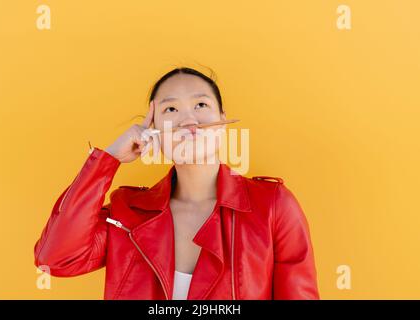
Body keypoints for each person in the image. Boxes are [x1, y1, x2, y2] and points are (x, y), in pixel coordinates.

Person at [33, 67, 320, 300]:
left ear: (221, 120)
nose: (189, 120)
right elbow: (57, 258)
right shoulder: (126, 213)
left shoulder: (272, 205)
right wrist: (108, 160)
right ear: (153, 130)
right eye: (171, 110)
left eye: (201, 104)